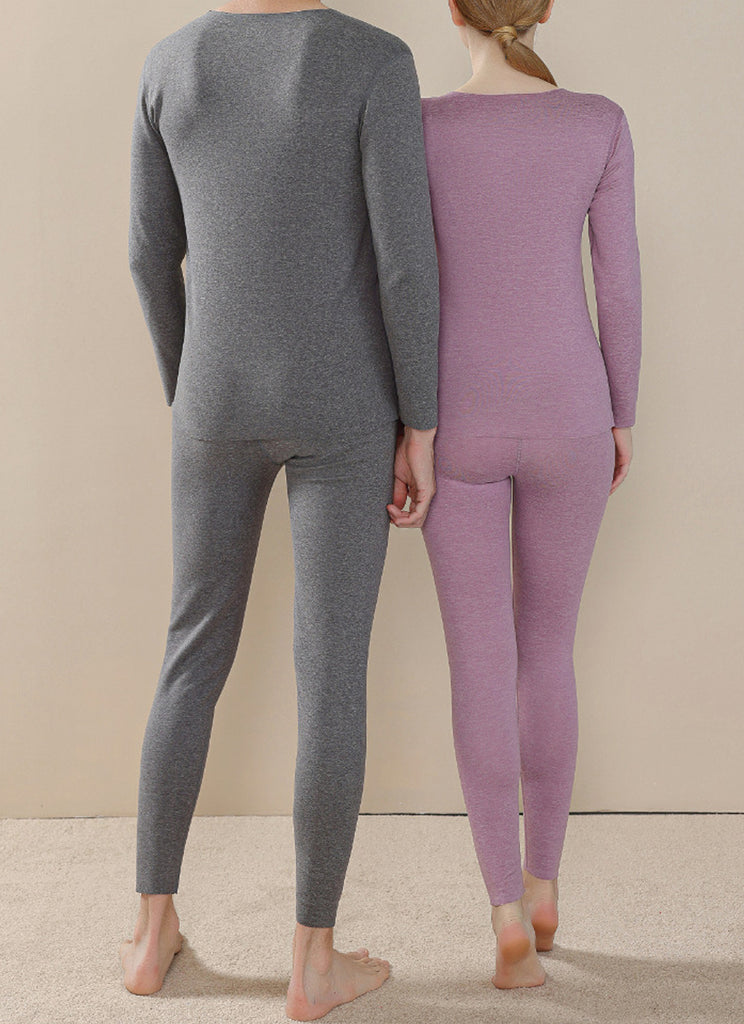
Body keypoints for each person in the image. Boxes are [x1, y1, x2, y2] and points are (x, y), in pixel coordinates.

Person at [121, 2, 440, 1019]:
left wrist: (190, 392)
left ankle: (148, 935)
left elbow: (148, 254)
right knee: (330, 671)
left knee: (190, 651)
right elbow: (404, 258)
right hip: (345, 405)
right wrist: (422, 421)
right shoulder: (374, 59)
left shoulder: (171, 63)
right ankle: (313, 961)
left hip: (213, 399)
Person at [419, 0, 642, 990]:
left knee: (479, 660)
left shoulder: (421, 127)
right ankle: (547, 886)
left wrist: (406, 425)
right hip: (572, 412)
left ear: (453, 10)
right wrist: (621, 411)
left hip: (455, 417)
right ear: (544, 8)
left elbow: (402, 283)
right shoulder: (598, 122)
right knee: (548, 647)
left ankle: (505, 918)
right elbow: (619, 283)